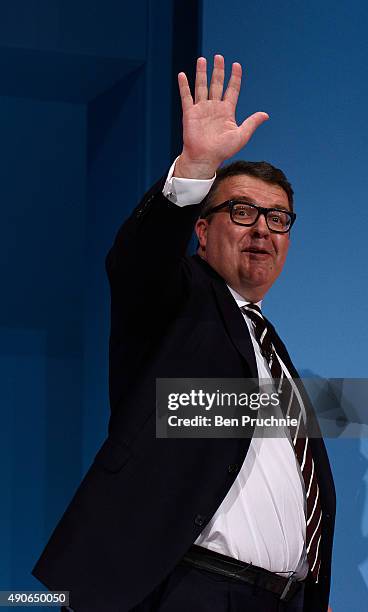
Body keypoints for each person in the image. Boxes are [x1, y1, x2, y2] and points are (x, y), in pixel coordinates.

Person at [32, 55, 335, 612]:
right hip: (189, 588)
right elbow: (137, 261)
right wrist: (196, 167)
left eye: (278, 218)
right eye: (242, 212)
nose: (263, 230)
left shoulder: (271, 351)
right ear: (201, 228)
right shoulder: (181, 301)